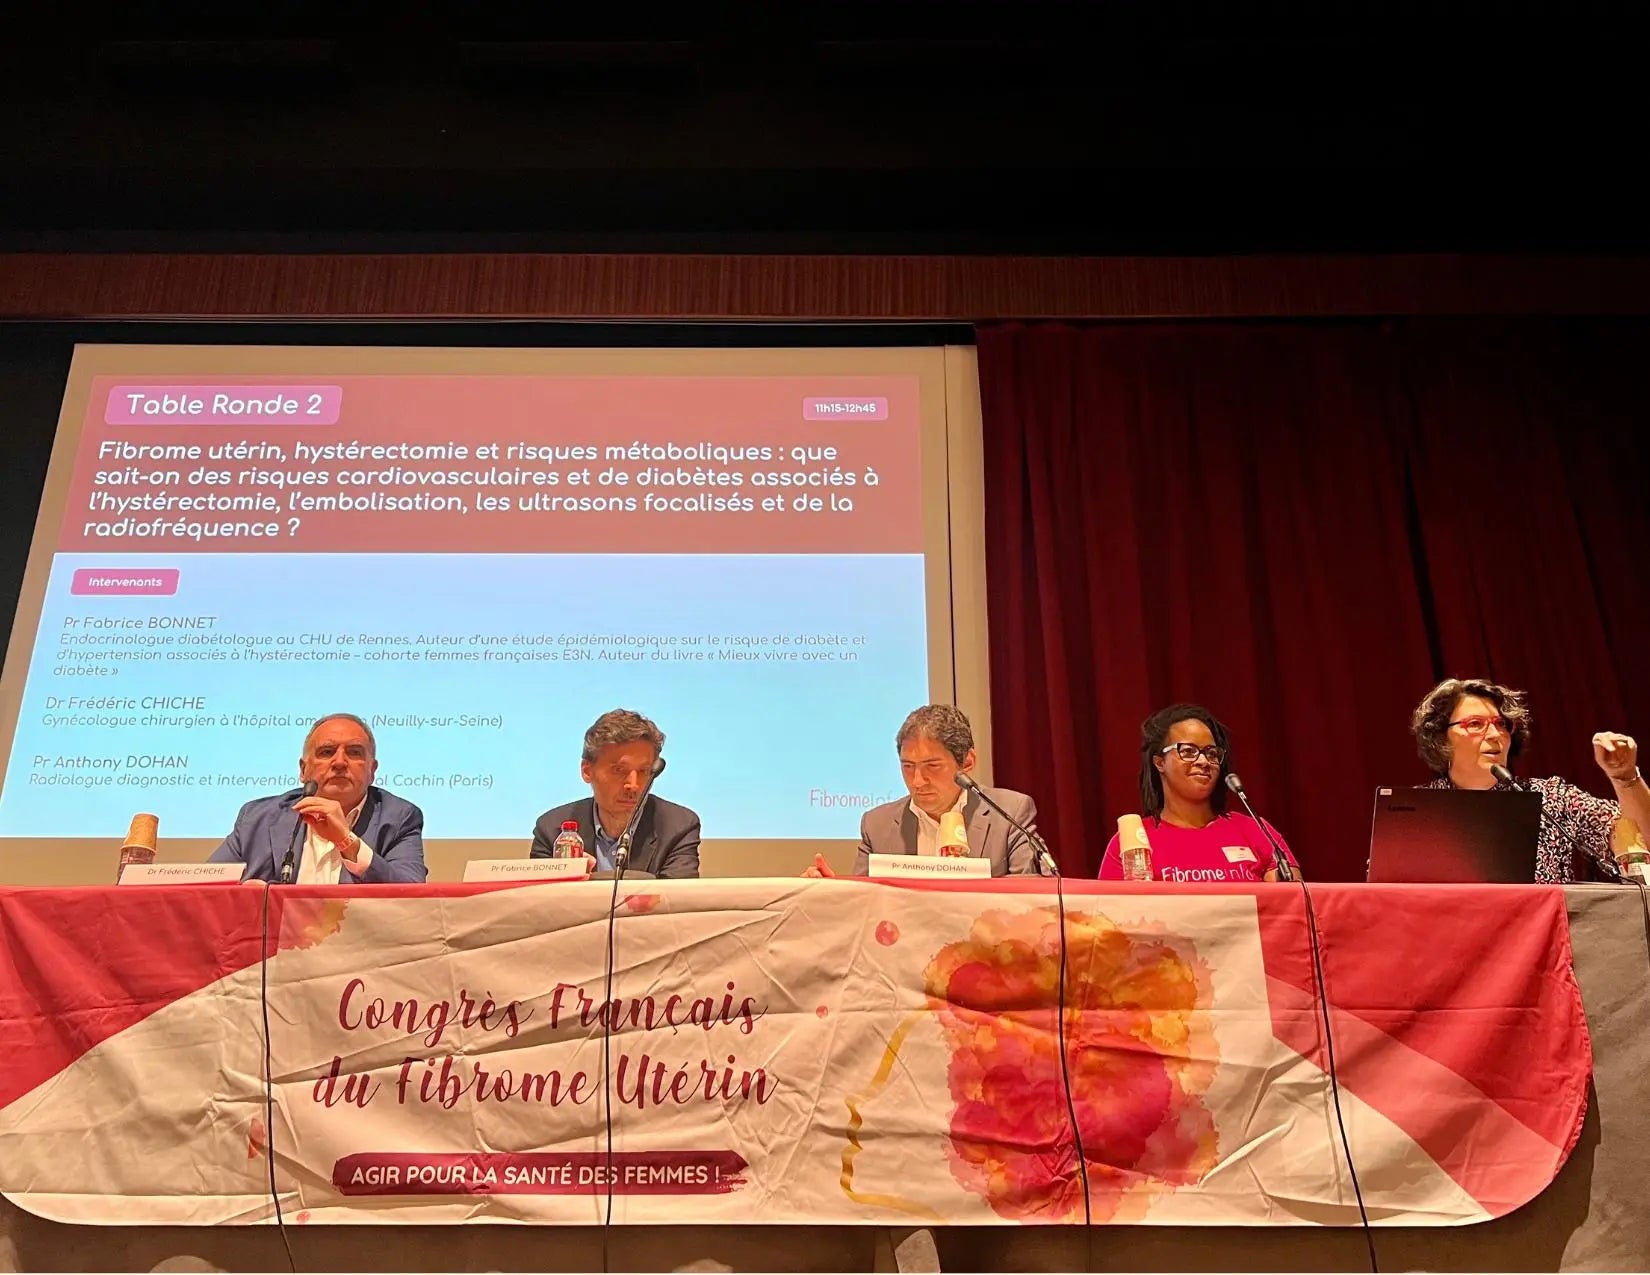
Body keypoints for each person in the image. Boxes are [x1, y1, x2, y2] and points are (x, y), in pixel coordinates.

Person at [1410, 677, 1647, 883]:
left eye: (1501, 724)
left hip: (1547, 933)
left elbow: (1641, 841)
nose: (1495, 735)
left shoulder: (1551, 798)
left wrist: (1626, 779)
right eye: (1475, 724)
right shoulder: (1418, 812)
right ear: (1442, 738)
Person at [806, 704, 1040, 877]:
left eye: (932, 766)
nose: (917, 781)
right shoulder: (878, 825)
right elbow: (865, 908)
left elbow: (1027, 900)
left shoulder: (1009, 815)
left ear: (967, 761)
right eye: (908, 766)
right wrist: (832, 892)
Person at [210, 713, 428, 883]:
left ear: (372, 770)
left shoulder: (400, 818)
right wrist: (248, 896)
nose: (340, 762)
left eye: (354, 752)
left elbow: (411, 895)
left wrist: (347, 842)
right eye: (326, 752)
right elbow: (205, 888)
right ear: (303, 770)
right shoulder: (257, 818)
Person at [1098, 703, 1298, 883]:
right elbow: (1109, 919)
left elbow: (1292, 910)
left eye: (1211, 753)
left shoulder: (1256, 831)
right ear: (1160, 762)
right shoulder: (1131, 843)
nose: (1203, 761)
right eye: (1188, 751)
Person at [531, 708, 700, 879]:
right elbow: (540, 901)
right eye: (619, 770)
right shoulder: (552, 831)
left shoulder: (679, 827)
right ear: (587, 771)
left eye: (643, 771)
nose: (633, 785)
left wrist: (590, 883)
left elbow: (675, 900)